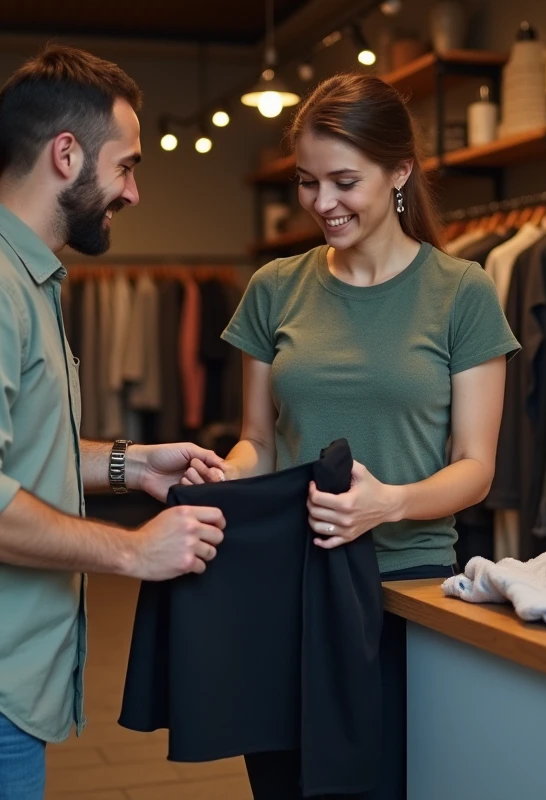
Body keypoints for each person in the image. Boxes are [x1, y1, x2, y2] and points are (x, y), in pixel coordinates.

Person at [0, 46, 228, 800]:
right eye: (126, 166)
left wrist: (132, 465)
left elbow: (13, 452)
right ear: (66, 155)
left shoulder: (15, 278)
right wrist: (134, 551)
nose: (133, 192)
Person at [183, 74, 520, 798]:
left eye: (343, 181)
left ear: (399, 172)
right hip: (287, 582)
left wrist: (388, 503)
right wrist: (226, 476)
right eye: (308, 182)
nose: (322, 203)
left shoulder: (462, 292)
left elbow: (476, 466)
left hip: (407, 587)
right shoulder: (274, 288)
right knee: (285, 782)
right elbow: (258, 440)